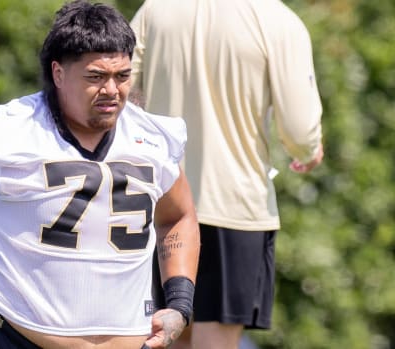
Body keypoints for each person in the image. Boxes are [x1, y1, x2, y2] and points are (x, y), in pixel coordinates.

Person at [0, 1, 200, 349]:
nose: (111, 90)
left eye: (122, 76)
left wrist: (179, 304)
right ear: (58, 73)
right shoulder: (9, 131)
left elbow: (178, 216)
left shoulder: (153, 136)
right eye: (95, 76)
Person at [130, 0, 324, 348]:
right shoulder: (279, 21)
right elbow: (299, 130)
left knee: (165, 335)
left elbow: (121, 88)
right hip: (235, 208)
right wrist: (309, 150)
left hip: (160, 206)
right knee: (215, 339)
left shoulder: (156, 10)